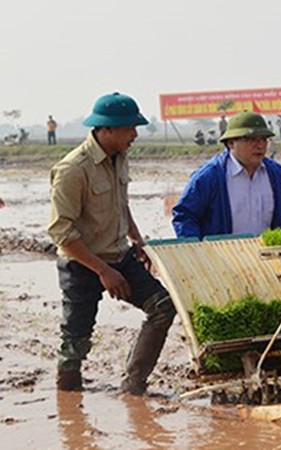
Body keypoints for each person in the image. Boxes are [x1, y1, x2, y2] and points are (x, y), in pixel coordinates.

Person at [47, 92, 176, 395]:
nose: (135, 134)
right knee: (74, 343)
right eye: (130, 128)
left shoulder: (120, 156)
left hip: (120, 256)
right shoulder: (72, 170)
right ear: (106, 130)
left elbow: (120, 202)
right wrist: (103, 271)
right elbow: (61, 232)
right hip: (81, 263)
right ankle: (69, 405)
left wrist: (137, 239)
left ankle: (133, 386)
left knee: (163, 307)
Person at [172, 111, 281, 240]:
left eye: (263, 139)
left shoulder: (275, 173)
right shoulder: (210, 176)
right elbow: (185, 216)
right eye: (251, 139)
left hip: (266, 256)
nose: (260, 145)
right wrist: (198, 251)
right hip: (223, 257)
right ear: (231, 143)